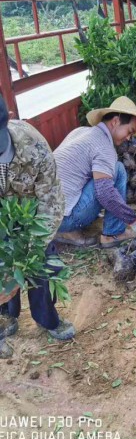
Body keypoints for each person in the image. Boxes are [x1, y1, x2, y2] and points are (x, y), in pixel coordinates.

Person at [0, 94, 76, 359]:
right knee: (3, 266)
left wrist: (31, 251)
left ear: (7, 121)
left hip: (33, 215)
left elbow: (51, 202)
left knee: (40, 265)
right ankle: (5, 317)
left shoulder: (33, 146)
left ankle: (47, 319)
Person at [53, 97, 136, 248]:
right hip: (65, 219)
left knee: (103, 176)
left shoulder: (80, 132)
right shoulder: (103, 146)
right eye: (129, 132)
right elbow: (105, 193)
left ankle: (64, 230)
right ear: (115, 122)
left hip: (48, 218)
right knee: (117, 169)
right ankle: (113, 233)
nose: (128, 138)